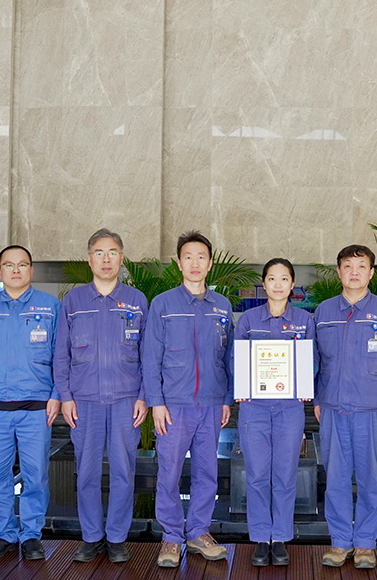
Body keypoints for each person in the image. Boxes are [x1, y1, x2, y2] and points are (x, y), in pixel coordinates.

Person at [53, 229, 148, 563]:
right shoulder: (74, 302)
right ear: (89, 258)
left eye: (112, 252)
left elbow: (148, 355)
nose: (106, 259)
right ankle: (92, 536)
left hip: (126, 400)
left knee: (124, 471)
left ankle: (117, 537)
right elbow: (61, 354)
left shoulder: (137, 301)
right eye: (99, 252)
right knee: (87, 472)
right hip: (84, 401)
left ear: (122, 258)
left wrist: (143, 396)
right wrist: (66, 396)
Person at [0, 245, 61, 561]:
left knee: (36, 475)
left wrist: (57, 394)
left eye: (22, 264)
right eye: (9, 265)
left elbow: (62, 355)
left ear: (32, 270)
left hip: (36, 409)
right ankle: (4, 534)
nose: (16, 270)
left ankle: (31, 535)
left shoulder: (50, 306)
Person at [143, 231, 234, 568]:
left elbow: (228, 357)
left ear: (210, 264)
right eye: (188, 257)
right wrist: (156, 402)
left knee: (207, 472)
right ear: (179, 264)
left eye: (201, 257)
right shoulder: (163, 304)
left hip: (211, 404)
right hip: (173, 405)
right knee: (169, 473)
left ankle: (198, 532)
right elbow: (150, 357)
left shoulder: (222, 306)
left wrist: (226, 399)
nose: (195, 263)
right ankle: (170, 536)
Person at [313, 244, 377, 570]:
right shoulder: (323, 312)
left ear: (371, 272)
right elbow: (313, 361)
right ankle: (339, 542)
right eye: (348, 266)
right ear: (339, 272)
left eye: (361, 266)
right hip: (333, 408)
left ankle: (365, 543)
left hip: (371, 409)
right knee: (336, 479)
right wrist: (317, 398)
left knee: (369, 480)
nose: (354, 272)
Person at [235, 258, 312, 567]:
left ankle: (279, 537)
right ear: (263, 284)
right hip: (253, 408)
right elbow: (236, 358)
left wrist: (306, 382)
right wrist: (241, 384)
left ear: (292, 285)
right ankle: (260, 537)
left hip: (290, 408)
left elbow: (312, 359)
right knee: (256, 475)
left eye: (284, 279)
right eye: (271, 278)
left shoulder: (304, 320)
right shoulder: (248, 320)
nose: (278, 284)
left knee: (284, 474)